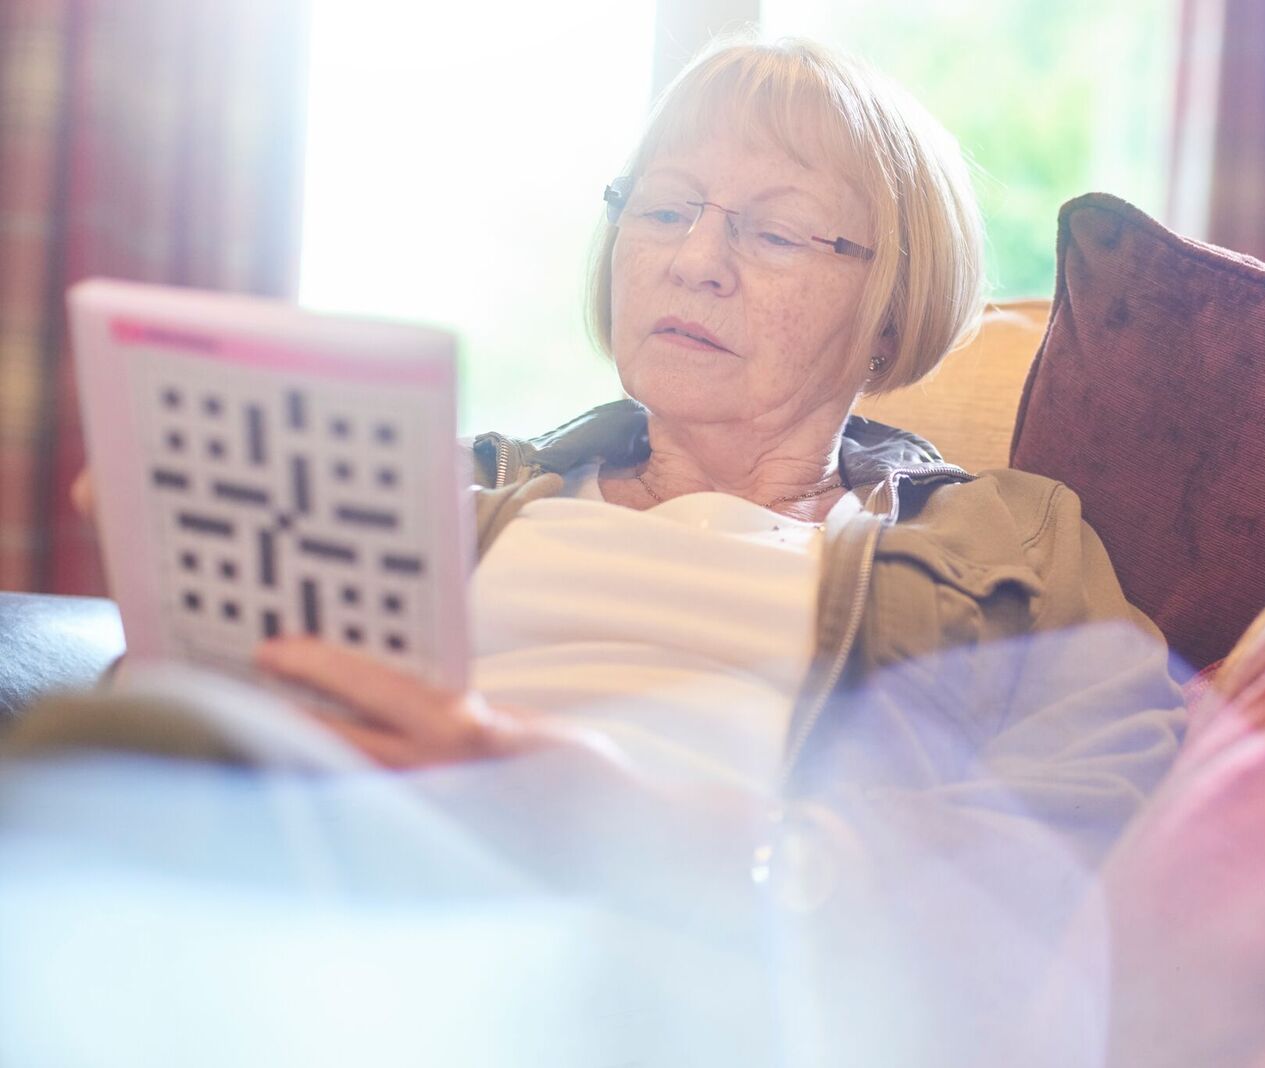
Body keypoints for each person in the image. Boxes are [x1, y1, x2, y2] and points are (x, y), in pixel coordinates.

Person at [32, 34, 1184, 1065]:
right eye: (665, 208)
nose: (695, 261)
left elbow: (1089, 828)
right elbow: (213, 743)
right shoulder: (449, 482)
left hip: (689, 945)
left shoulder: (1003, 538)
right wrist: (197, 600)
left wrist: (625, 816)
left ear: (888, 313)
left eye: (773, 230)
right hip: (333, 877)